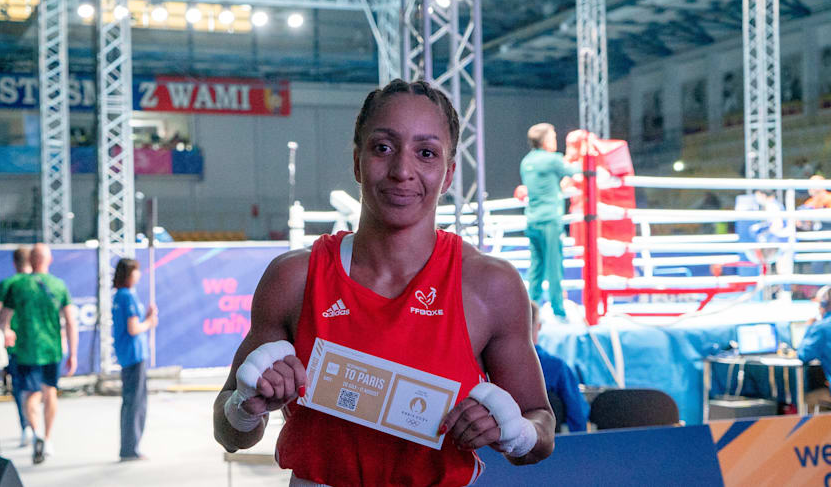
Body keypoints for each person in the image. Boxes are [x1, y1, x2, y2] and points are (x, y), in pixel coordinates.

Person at [213, 79, 555, 486]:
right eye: (383, 148)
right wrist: (245, 406)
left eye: (425, 153)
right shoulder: (295, 278)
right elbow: (228, 432)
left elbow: (541, 430)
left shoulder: (488, 285)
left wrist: (512, 430)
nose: (402, 171)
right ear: (357, 161)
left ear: (447, 175)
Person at [0, 243, 78, 464]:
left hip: (25, 350)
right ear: (49, 260)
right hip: (51, 349)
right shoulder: (59, 285)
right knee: (50, 391)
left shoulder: (15, 286)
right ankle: (47, 437)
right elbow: (71, 321)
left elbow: (1, 317)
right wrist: (73, 352)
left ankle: (34, 431)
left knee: (29, 394)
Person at [520, 123, 576, 319]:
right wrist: (585, 153)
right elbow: (578, 170)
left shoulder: (526, 161)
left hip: (532, 220)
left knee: (536, 267)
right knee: (554, 265)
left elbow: (546, 184)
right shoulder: (552, 160)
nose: (555, 140)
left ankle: (530, 311)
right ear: (545, 140)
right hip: (549, 220)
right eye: (553, 136)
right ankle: (558, 309)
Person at [111, 258, 159, 462]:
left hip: (127, 354)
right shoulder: (127, 297)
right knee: (135, 403)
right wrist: (149, 322)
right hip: (133, 354)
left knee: (130, 401)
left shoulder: (119, 296)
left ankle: (129, 445)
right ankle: (130, 447)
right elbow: (133, 328)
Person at [0, 246, 34, 447]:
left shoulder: (7, 284)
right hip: (37, 345)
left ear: (14, 263)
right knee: (37, 388)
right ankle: (37, 429)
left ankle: (26, 427)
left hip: (16, 346)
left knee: (19, 386)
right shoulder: (40, 283)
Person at [530, 302, 589, 432]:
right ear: (538, 326)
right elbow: (577, 414)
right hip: (548, 446)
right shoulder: (557, 368)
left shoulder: (491, 366)